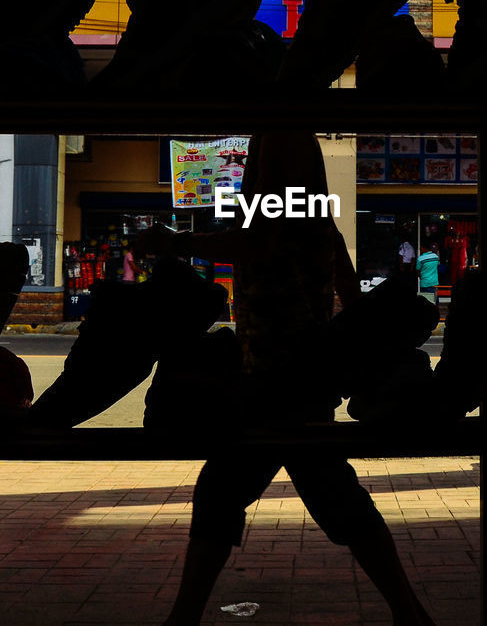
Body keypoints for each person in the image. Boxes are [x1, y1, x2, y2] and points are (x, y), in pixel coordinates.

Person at [135, 130, 436, 626]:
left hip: (280, 377)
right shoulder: (317, 218)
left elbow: (257, 244)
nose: (253, 164)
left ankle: (183, 618)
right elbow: (345, 279)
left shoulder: (273, 215)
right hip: (300, 375)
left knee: (238, 492)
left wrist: (176, 241)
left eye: (259, 157)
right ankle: (409, 611)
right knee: (325, 494)